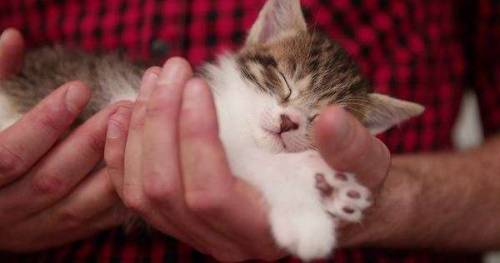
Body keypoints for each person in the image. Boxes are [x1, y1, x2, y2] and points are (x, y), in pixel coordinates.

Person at [0, 0, 499, 262]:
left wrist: (386, 203)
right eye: (281, 83)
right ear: (260, 36)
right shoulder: (226, 93)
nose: (287, 117)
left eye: (313, 114)